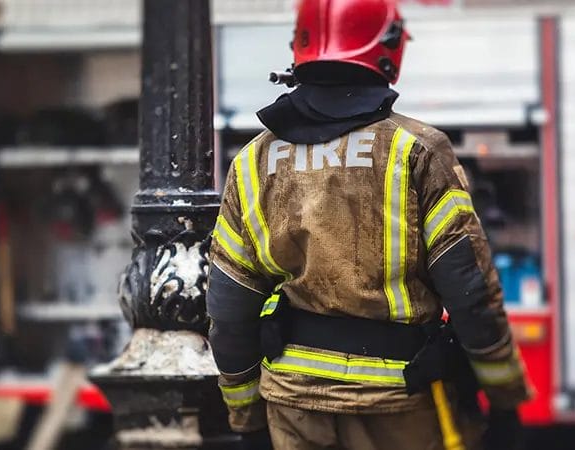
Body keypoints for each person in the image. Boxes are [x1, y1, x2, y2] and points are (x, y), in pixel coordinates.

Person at [205, 1, 533, 449]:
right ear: (389, 48)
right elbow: (470, 292)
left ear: (300, 48)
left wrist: (246, 419)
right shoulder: (417, 150)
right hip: (399, 406)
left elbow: (228, 307)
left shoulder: (253, 161)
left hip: (293, 408)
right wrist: (504, 399)